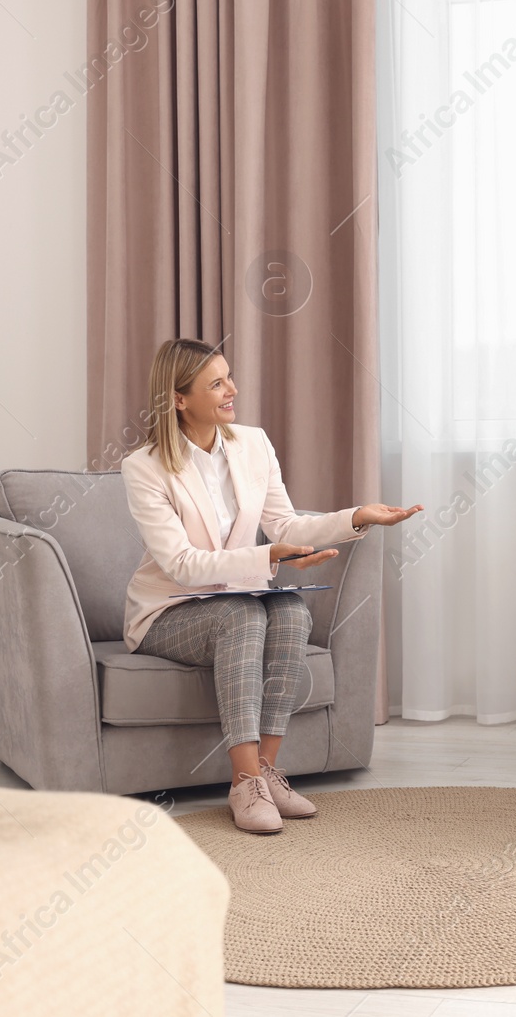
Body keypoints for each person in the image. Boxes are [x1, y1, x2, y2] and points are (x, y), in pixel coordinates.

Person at [121, 338, 422, 834]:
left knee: (291, 612)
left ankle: (265, 771)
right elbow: (180, 564)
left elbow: (285, 526)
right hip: (168, 611)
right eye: (215, 383)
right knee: (242, 615)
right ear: (179, 399)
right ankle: (242, 782)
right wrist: (269, 556)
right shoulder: (145, 468)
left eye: (229, 377)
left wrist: (355, 517)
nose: (231, 390)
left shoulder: (253, 444)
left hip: (239, 598)